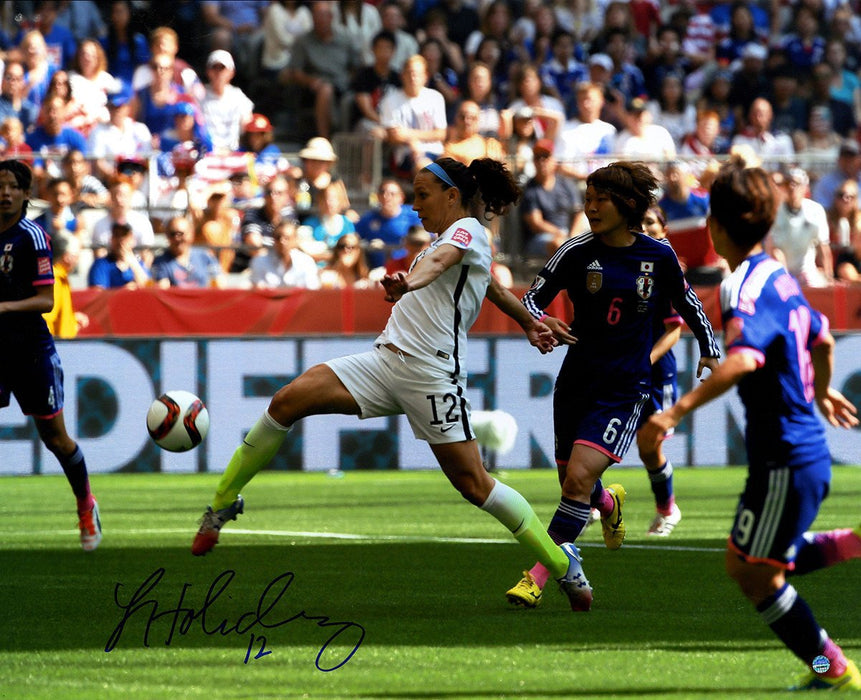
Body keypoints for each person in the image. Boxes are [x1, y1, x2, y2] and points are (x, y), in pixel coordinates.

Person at [190, 155, 592, 615]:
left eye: (423, 195)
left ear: (452, 195)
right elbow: (491, 288)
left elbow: (440, 263)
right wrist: (528, 320)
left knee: (474, 484)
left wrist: (408, 281)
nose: (416, 206)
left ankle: (562, 564)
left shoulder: (467, 232)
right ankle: (222, 503)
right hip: (383, 362)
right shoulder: (453, 238)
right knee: (286, 402)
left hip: (431, 373)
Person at [638, 156, 861, 692]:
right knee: (757, 564)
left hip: (785, 455)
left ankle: (836, 673)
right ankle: (835, 647)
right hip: (792, 452)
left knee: (752, 574)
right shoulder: (779, 275)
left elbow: (742, 360)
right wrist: (822, 388)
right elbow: (823, 337)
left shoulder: (742, 288)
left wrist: (671, 412)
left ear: (712, 226)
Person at [505, 160, 721, 612]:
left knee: (578, 478)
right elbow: (529, 300)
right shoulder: (575, 252)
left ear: (627, 205)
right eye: (587, 199)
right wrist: (540, 321)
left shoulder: (658, 256)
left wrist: (708, 346)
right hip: (576, 381)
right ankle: (609, 503)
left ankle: (540, 575)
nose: (591, 207)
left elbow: (689, 303)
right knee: (573, 482)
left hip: (626, 387)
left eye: (600, 199)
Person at [0, 159, 101, 550]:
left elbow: (45, 300)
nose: (4, 192)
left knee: (56, 439)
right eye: (0, 185)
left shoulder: (33, 238)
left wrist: (4, 308)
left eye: (12, 186)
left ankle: (85, 504)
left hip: (29, 351)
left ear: (26, 194)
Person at [638, 205, 683, 536]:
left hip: (654, 372)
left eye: (651, 223)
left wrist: (644, 360)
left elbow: (674, 329)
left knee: (648, 447)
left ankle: (668, 509)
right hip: (619, 368)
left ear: (664, 229)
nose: (645, 228)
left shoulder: (667, 270)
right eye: (640, 224)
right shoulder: (626, 264)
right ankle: (589, 501)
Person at [768, 167, 833, 288]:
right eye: (788, 183)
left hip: (806, 271)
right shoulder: (774, 211)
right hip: (780, 271)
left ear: (805, 187)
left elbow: (823, 247)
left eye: (796, 183)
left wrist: (829, 277)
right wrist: (784, 277)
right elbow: (773, 249)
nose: (792, 187)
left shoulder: (815, 211)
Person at [520, 139, 583, 257]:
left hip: (568, 234)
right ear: (533, 161)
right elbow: (536, 223)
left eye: (545, 157)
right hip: (541, 238)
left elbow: (578, 213)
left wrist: (573, 237)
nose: (541, 161)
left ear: (553, 160)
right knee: (559, 244)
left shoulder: (566, 184)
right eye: (537, 157)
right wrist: (561, 235)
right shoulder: (530, 189)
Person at [355, 178, 422, 269]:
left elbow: (426, 240)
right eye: (382, 192)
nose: (386, 197)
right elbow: (353, 238)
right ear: (378, 196)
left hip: (409, 268)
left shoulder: (414, 215)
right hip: (377, 271)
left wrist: (386, 247)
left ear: (401, 198)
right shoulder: (369, 219)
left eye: (392, 194)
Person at [199, 50, 253, 154]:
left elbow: (247, 125)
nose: (218, 72)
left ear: (231, 72)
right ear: (208, 71)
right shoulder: (199, 95)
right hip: (206, 153)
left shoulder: (239, 97)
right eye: (214, 67)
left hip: (233, 153)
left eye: (222, 68)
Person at [152, 216, 223, 289]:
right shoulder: (160, 262)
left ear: (191, 234)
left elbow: (219, 285)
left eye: (180, 234)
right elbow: (163, 289)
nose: (177, 238)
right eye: (172, 234)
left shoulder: (205, 256)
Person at [249, 218, 321, 290]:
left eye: (287, 238)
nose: (282, 241)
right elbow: (258, 291)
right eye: (278, 237)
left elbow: (311, 292)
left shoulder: (306, 262)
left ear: (295, 240)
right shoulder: (260, 261)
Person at [42, 233, 88, 339]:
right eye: (77, 255)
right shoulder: (55, 279)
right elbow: (47, 318)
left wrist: (73, 318)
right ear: (67, 257)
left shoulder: (59, 277)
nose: (78, 260)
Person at [87, 221, 150, 289]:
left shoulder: (139, 264)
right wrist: (122, 292)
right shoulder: (101, 264)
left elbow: (150, 288)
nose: (120, 239)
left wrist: (133, 264)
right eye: (117, 235)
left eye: (124, 235)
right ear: (111, 239)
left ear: (132, 240)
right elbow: (97, 293)